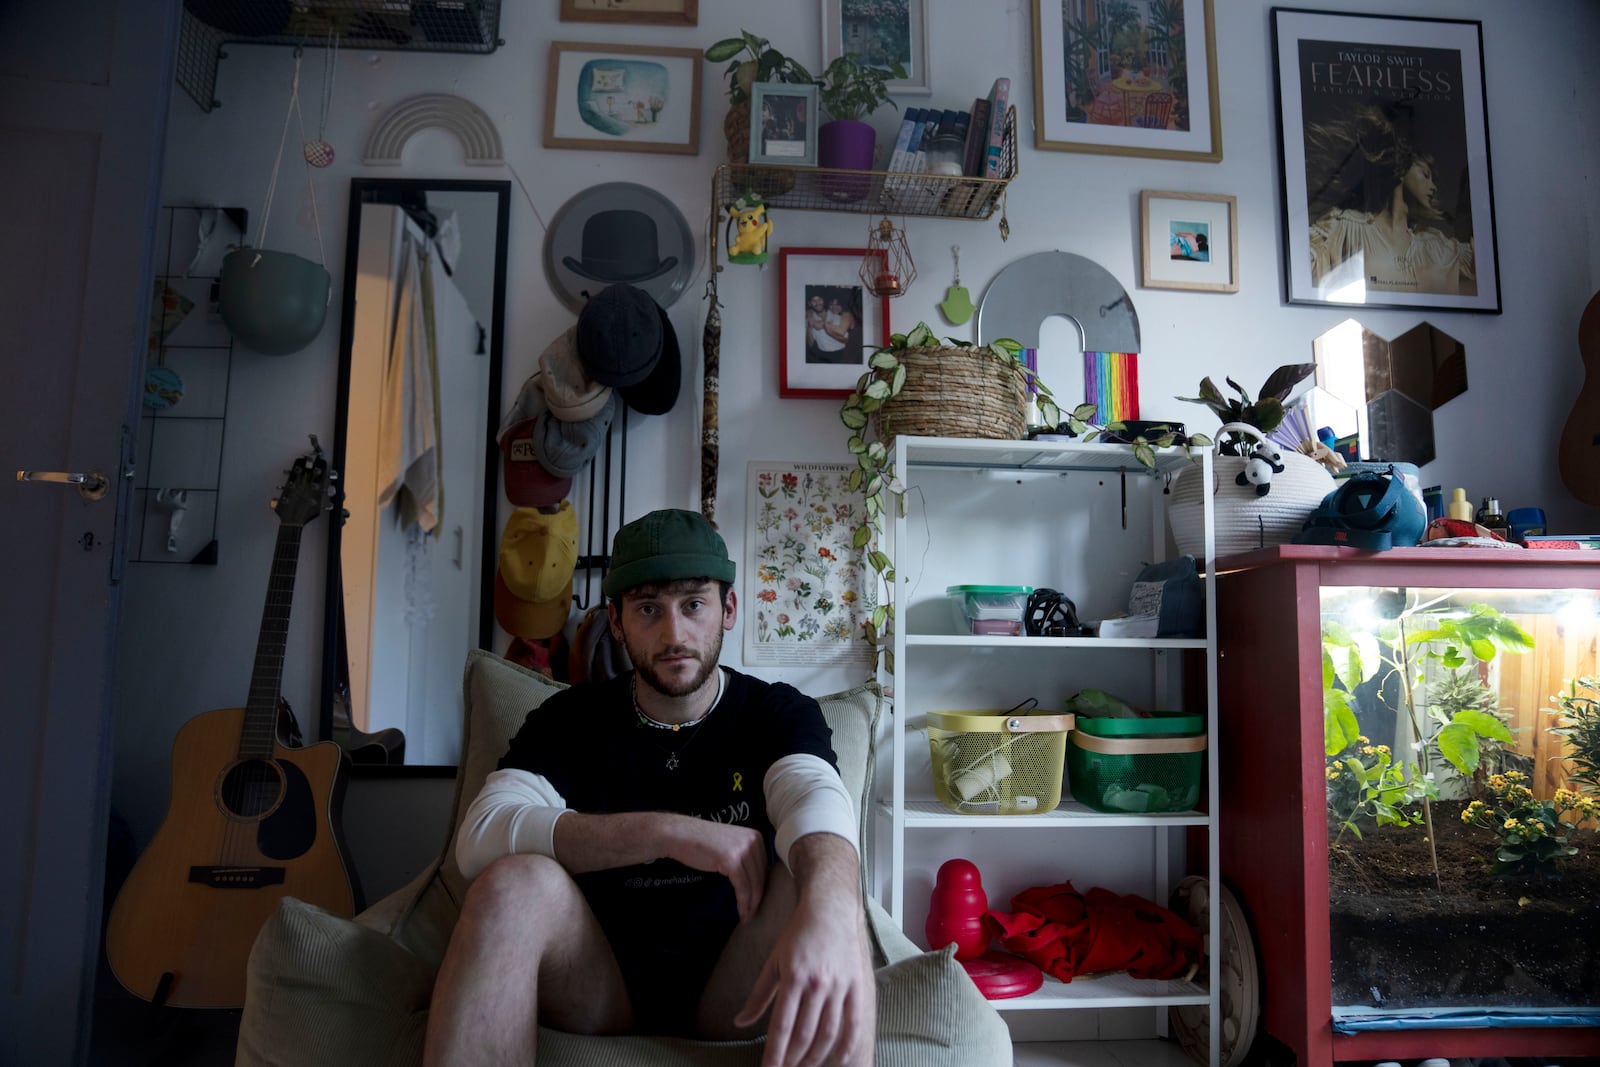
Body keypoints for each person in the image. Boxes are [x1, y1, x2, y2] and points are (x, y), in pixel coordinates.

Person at [423, 509, 876, 1067]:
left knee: (830, 888)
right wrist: (666, 833)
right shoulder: (569, 720)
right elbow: (480, 837)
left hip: (735, 982)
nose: (673, 634)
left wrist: (829, 909)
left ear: (727, 609)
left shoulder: (775, 713)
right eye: (647, 610)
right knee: (510, 884)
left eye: (693, 605)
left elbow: (815, 802)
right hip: (600, 980)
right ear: (616, 621)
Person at [1303, 103, 1475, 296]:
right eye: (1426, 174)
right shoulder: (1341, 229)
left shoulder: (1438, 249)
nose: (1433, 186)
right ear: (1403, 165)